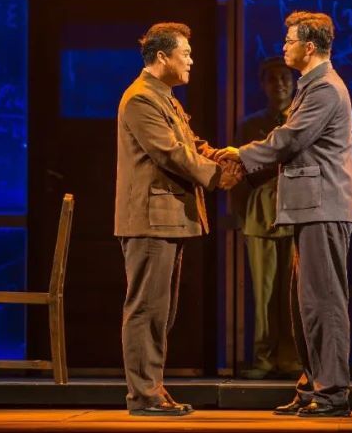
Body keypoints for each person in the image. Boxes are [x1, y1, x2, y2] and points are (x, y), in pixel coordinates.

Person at [218, 11, 352, 418]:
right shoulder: (310, 87)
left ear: (309, 47)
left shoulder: (325, 89)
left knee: (324, 302)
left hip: (322, 207)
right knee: (305, 304)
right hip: (308, 207)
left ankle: (332, 394)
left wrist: (240, 154)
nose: (284, 47)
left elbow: (289, 140)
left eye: (289, 41)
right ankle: (313, 385)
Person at [115, 22, 241, 417]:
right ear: (161, 56)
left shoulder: (164, 98)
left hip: (166, 219)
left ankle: (151, 388)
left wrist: (220, 155)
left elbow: (190, 143)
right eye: (184, 53)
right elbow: (170, 152)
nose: (191, 60)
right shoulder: (140, 99)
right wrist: (216, 175)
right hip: (150, 220)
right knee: (147, 310)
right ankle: (143, 396)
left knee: (161, 312)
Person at [230, 57, 302, 379]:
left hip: (295, 213)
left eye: (284, 77)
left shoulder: (301, 121)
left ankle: (291, 356)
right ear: (263, 85)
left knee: (292, 292)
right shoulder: (250, 125)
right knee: (263, 293)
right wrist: (241, 212)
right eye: (272, 79)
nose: (280, 84)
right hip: (260, 215)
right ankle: (264, 357)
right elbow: (238, 173)